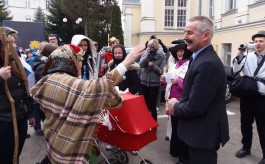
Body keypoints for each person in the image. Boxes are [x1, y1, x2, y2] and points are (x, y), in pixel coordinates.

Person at [31, 44, 145, 163]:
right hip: (70, 151)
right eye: (79, 60)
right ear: (71, 61)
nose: (81, 64)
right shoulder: (68, 83)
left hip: (54, 144)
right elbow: (101, 87)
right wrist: (127, 62)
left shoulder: (49, 79)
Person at [165, 16, 229, 164]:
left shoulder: (208, 63)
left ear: (206, 35)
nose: (184, 37)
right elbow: (193, 93)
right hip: (193, 134)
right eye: (185, 32)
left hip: (201, 137)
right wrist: (179, 101)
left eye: (189, 33)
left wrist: (175, 107)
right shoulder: (198, 57)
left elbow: (196, 107)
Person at [0, 26, 34, 163]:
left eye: (14, 42)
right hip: (4, 121)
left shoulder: (15, 61)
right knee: (5, 157)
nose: (14, 46)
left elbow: (24, 88)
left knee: (16, 155)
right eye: (9, 43)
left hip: (20, 118)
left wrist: (30, 113)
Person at [232, 30, 265, 164]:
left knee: (263, 126)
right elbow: (235, 70)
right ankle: (246, 147)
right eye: (256, 41)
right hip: (246, 94)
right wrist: (240, 54)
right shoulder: (248, 56)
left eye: (261, 41)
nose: (258, 43)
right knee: (245, 123)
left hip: (261, 95)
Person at [161, 40, 192, 163]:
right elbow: (169, 81)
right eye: (178, 51)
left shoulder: (190, 65)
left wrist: (177, 81)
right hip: (171, 99)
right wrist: (164, 79)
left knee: (181, 128)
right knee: (174, 125)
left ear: (186, 52)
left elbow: (191, 85)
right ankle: (175, 150)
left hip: (182, 100)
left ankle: (183, 156)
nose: (179, 53)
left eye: (182, 51)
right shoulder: (175, 65)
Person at [139, 38, 166, 121]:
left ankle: (153, 126)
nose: (151, 48)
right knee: (145, 106)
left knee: (152, 106)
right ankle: (146, 124)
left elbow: (162, 71)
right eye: (149, 46)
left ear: (157, 47)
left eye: (153, 47)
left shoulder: (161, 55)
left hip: (154, 84)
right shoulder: (146, 53)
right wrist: (147, 55)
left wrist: (153, 66)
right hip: (144, 82)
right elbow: (141, 65)